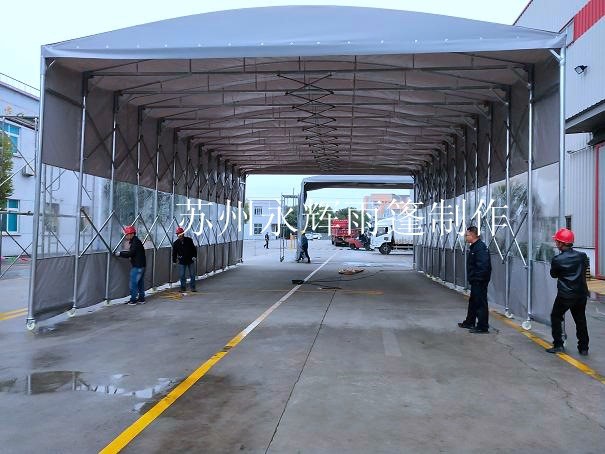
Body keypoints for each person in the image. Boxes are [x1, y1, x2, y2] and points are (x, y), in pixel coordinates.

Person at [546, 228, 590, 355]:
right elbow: (585, 267)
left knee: (556, 316)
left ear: (561, 243)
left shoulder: (557, 259)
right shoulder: (582, 256)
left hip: (565, 295)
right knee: (580, 319)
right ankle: (583, 348)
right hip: (581, 294)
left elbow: (553, 275)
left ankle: (558, 344)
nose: (556, 243)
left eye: (557, 241)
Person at [458, 225, 492, 333]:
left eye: (467, 235)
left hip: (479, 280)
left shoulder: (480, 248)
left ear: (473, 235)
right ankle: (470, 322)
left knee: (480, 303)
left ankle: (483, 326)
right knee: (473, 301)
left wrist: (478, 278)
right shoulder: (475, 247)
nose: (465, 237)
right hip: (476, 279)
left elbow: (483, 265)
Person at [114, 225, 146, 305]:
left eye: (127, 234)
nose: (126, 236)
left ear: (132, 234)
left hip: (137, 267)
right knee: (140, 283)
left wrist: (120, 254)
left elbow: (131, 253)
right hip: (142, 266)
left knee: (133, 283)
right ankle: (141, 299)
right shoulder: (136, 241)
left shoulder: (135, 242)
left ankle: (133, 300)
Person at [172, 226, 198, 292]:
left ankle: (193, 288)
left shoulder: (189, 240)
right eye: (178, 234)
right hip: (182, 261)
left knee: (192, 274)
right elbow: (174, 253)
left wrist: (194, 256)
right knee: (182, 275)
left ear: (183, 234)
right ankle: (183, 288)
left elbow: (194, 249)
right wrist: (174, 261)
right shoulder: (176, 243)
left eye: (180, 234)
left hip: (190, 260)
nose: (179, 235)